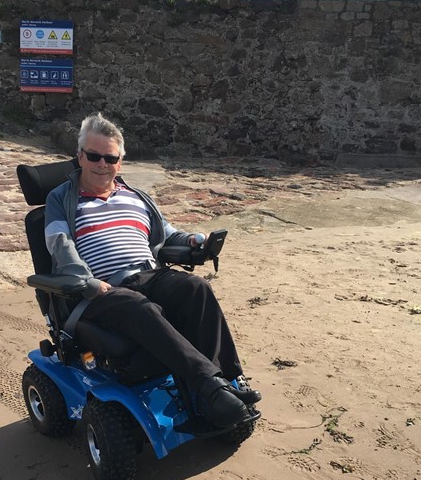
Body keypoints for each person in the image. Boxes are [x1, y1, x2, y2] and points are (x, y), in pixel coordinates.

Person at [44, 112, 261, 429]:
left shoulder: (136, 197)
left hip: (148, 274)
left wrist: (193, 240)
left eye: (110, 157)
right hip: (101, 291)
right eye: (94, 156)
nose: (102, 164)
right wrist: (87, 281)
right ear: (80, 156)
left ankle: (228, 381)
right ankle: (211, 389)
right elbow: (59, 245)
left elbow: (167, 235)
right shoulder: (61, 199)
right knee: (139, 306)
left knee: (196, 289)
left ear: (120, 162)